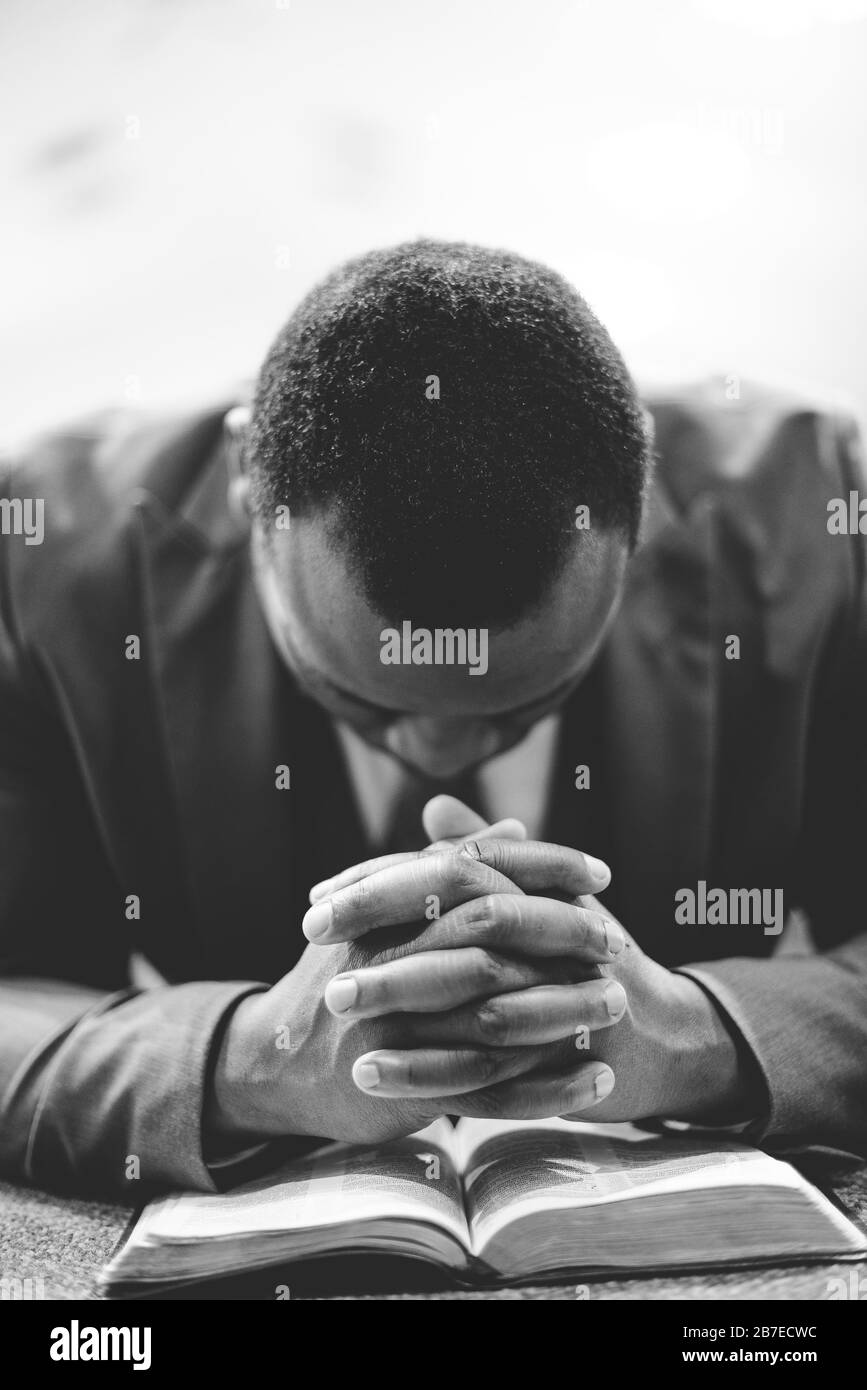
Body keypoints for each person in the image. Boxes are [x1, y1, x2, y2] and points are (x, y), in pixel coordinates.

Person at [1, 240, 864, 1198]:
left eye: (527, 702)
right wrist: (248, 1059)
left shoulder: (832, 521)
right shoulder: (38, 555)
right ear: (253, 490)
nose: (443, 760)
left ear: (640, 508)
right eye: (361, 694)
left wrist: (701, 1034)